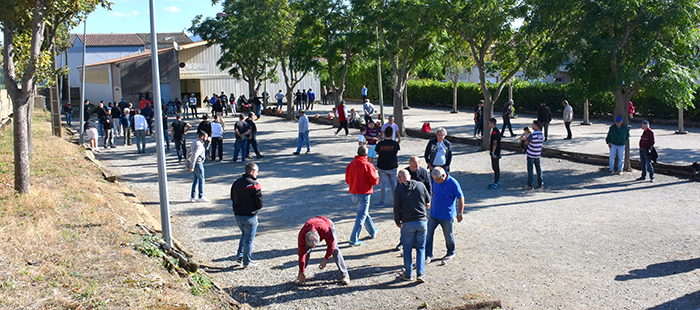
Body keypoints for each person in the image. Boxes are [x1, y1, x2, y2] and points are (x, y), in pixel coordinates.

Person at [394, 169, 430, 283]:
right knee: (421, 248)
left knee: (407, 249)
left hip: (407, 222)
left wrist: (397, 221)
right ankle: (420, 273)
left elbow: (397, 208)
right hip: (422, 222)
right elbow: (428, 203)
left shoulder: (399, 190)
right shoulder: (420, 185)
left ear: (399, 178)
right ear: (409, 176)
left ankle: (408, 274)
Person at [426, 167, 464, 263]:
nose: (436, 181)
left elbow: (461, 198)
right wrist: (431, 204)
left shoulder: (453, 183)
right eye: (434, 179)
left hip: (447, 215)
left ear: (443, 175)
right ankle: (428, 254)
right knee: (428, 234)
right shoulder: (436, 180)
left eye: (437, 179)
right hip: (434, 214)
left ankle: (451, 252)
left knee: (448, 235)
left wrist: (460, 213)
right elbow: (434, 193)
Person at [297, 216, 350, 285]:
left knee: (335, 250)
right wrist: (302, 272)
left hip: (326, 223)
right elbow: (301, 254)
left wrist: (325, 260)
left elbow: (331, 245)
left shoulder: (325, 230)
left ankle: (345, 275)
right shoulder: (302, 235)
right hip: (312, 227)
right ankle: (300, 276)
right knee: (305, 251)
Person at [346, 146, 380, 246]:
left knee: (364, 213)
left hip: (353, 193)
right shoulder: (368, 165)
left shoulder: (351, 165)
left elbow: (347, 179)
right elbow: (375, 181)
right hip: (364, 194)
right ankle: (353, 239)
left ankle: (372, 231)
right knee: (361, 216)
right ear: (366, 154)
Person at [230, 162, 262, 268]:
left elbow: (232, 197)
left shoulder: (236, 183)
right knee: (249, 239)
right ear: (251, 172)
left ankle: (240, 255)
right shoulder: (255, 185)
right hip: (250, 216)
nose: (257, 174)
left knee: (244, 234)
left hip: (237, 215)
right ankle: (246, 262)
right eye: (256, 172)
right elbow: (259, 203)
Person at [374, 126, 400, 208]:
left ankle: (382, 202)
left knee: (383, 185)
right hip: (392, 166)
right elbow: (396, 152)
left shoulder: (380, 144)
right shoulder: (395, 144)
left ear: (384, 134)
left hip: (382, 166)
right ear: (392, 134)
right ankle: (396, 202)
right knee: (394, 185)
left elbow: (377, 152)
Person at [188, 131, 210, 203]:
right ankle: (201, 196)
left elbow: (188, 152)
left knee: (195, 180)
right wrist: (192, 166)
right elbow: (195, 155)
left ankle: (192, 196)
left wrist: (188, 162)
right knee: (201, 179)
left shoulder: (194, 142)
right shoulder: (199, 145)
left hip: (194, 163)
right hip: (198, 163)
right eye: (205, 137)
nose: (206, 138)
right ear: (202, 136)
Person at [524, 120, 544, 189]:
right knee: (538, 168)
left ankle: (530, 185)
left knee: (530, 169)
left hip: (531, 154)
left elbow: (526, 142)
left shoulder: (532, 134)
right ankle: (540, 183)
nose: (532, 126)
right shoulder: (541, 134)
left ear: (536, 126)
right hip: (537, 154)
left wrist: (530, 144)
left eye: (533, 125)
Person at [488, 118, 501, 190]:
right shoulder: (495, 130)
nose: (489, 124)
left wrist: (493, 152)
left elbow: (495, 143)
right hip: (497, 152)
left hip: (495, 153)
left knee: (495, 167)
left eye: (489, 123)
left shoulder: (495, 132)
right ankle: (496, 181)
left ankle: (496, 183)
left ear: (492, 123)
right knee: (496, 168)